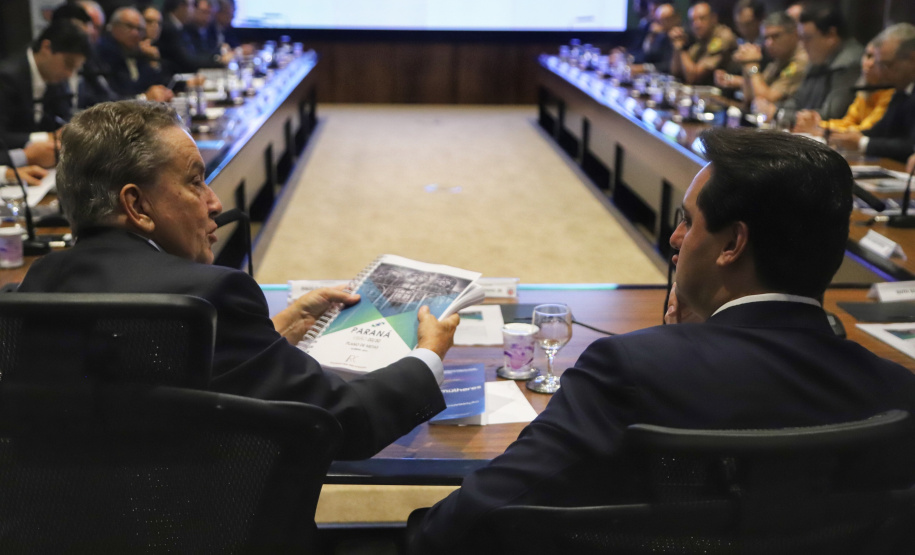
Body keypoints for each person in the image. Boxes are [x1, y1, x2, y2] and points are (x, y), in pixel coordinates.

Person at [407, 128, 915, 554]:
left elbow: (484, 511)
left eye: (688, 221)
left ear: (732, 244)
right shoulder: (898, 394)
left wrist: (413, 537)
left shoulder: (628, 368)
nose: (674, 240)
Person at [16, 100, 461, 461]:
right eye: (195, 182)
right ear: (137, 206)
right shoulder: (207, 297)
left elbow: (163, 375)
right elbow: (338, 422)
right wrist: (427, 357)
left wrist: (276, 330)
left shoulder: (32, 290)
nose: (214, 202)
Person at [0, 19, 90, 168]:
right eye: (68, 64)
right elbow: (2, 137)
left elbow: (62, 118)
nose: (69, 74)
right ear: (46, 47)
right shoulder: (6, 78)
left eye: (75, 68)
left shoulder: (57, 78)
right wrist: (45, 138)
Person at [828, 23, 915, 163]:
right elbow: (882, 131)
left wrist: (863, 142)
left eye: (887, 65)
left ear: (912, 59)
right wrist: (845, 137)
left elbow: (911, 146)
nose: (881, 72)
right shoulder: (901, 90)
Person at [779, 2, 862, 122]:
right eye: (801, 38)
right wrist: (777, 110)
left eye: (807, 38)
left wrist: (780, 115)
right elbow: (798, 101)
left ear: (831, 35)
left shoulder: (849, 62)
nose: (803, 45)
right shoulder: (819, 58)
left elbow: (832, 113)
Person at [793, 39, 894, 134]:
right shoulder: (864, 90)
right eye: (868, 56)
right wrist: (817, 124)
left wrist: (821, 130)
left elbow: (866, 129)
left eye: (877, 59)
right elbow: (847, 122)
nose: (869, 63)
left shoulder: (890, 92)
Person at [720, 11, 808, 112]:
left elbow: (766, 99)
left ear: (795, 34)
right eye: (766, 38)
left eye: (776, 36)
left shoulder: (801, 61)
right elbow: (750, 98)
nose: (769, 43)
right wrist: (746, 65)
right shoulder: (780, 60)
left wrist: (752, 65)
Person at [97, 7, 172, 101]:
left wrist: (153, 64)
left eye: (140, 29)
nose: (135, 33)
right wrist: (145, 97)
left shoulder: (137, 51)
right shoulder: (105, 50)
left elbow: (152, 84)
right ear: (114, 26)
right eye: (129, 26)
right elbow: (126, 89)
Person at [669, 2, 737, 86]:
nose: (696, 24)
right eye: (693, 20)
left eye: (702, 18)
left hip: (725, 94)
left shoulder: (722, 37)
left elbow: (693, 77)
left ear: (713, 18)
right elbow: (676, 73)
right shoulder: (701, 40)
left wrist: (682, 48)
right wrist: (677, 47)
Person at [158, 0, 226, 76]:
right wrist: (218, 60)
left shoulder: (179, 26)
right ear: (181, 6)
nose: (193, 10)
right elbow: (187, 62)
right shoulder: (169, 28)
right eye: (192, 5)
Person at [629, 3, 678, 75]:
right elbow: (647, 56)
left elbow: (668, 65)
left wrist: (646, 68)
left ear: (677, 18)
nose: (663, 24)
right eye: (660, 21)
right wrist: (651, 38)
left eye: (667, 19)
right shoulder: (661, 36)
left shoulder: (682, 34)